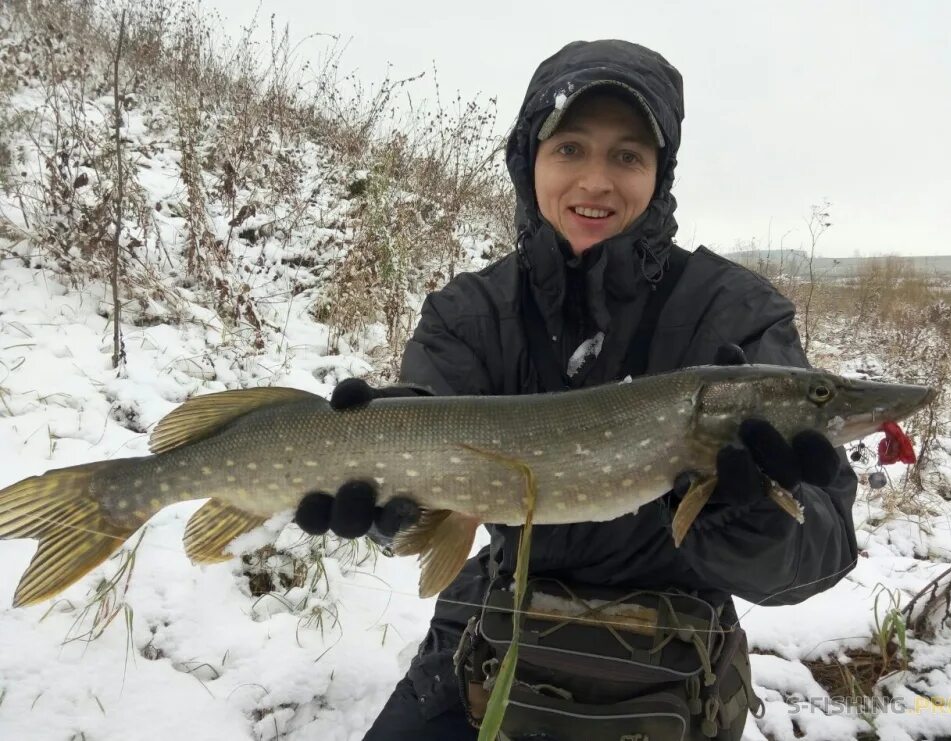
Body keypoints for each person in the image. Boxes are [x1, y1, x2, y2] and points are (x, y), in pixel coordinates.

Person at [295, 39, 859, 740]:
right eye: (569, 149)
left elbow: (820, 553)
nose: (596, 180)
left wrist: (752, 519)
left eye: (627, 155)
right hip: (497, 614)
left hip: (669, 649)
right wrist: (389, 509)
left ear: (660, 173)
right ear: (528, 160)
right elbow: (426, 489)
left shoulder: (735, 316)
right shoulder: (469, 313)